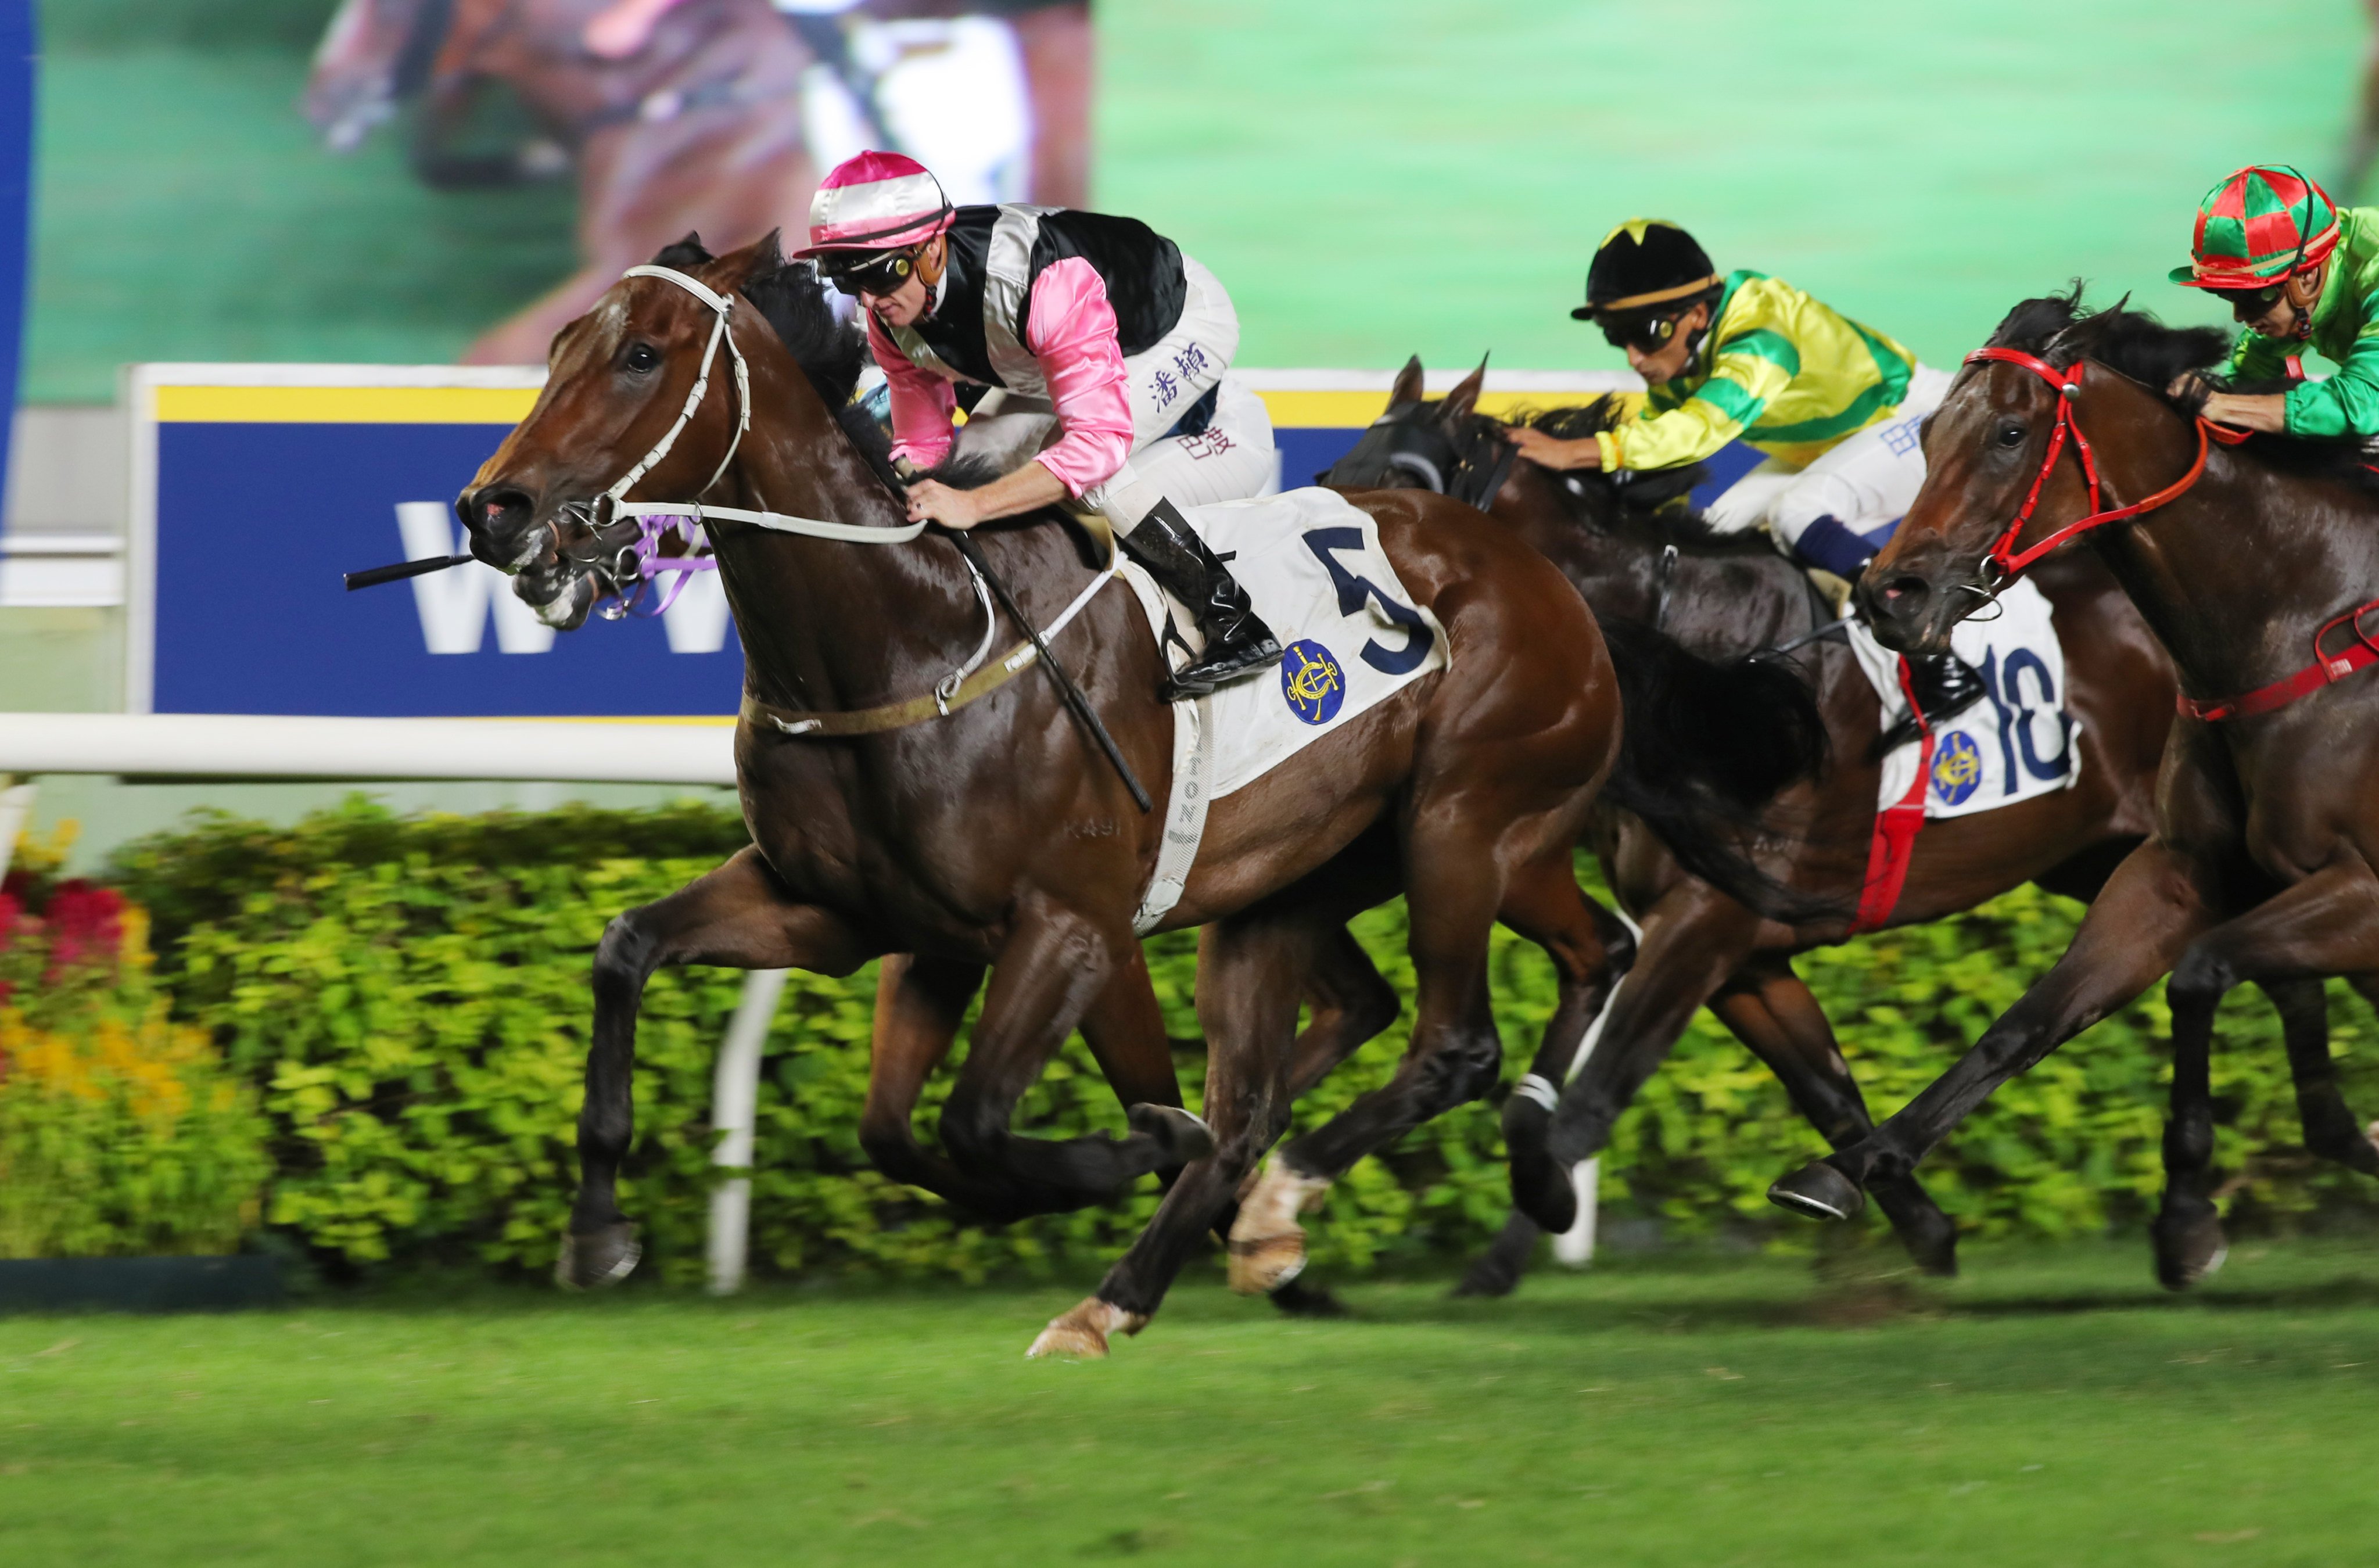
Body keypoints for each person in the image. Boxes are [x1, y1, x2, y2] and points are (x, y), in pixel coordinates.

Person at [794, 149, 1282, 698]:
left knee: (1084, 472)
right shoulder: (890, 314)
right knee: (979, 453)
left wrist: (973, 504)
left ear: (932, 248)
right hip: (1048, 347)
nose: (868, 300)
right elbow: (925, 445)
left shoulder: (1043, 282)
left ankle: (1235, 621)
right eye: (845, 280)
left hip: (1175, 326)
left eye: (882, 275)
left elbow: (1096, 446)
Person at [1506, 218, 1976, 715]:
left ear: (1695, 314)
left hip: (1919, 423)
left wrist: (1577, 450)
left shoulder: (1762, 331)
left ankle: (1931, 647)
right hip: (1819, 447)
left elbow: (1700, 429)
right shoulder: (1680, 358)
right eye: (1613, 336)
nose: (1633, 357)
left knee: (1798, 510)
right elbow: (1661, 448)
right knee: (1704, 523)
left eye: (1642, 334)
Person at [2167, 165, 2379, 439]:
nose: (2239, 316)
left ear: (2307, 278)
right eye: (2228, 296)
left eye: (2251, 298)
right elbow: (2248, 383)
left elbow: (2362, 406)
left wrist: (2222, 405)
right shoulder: (2294, 288)